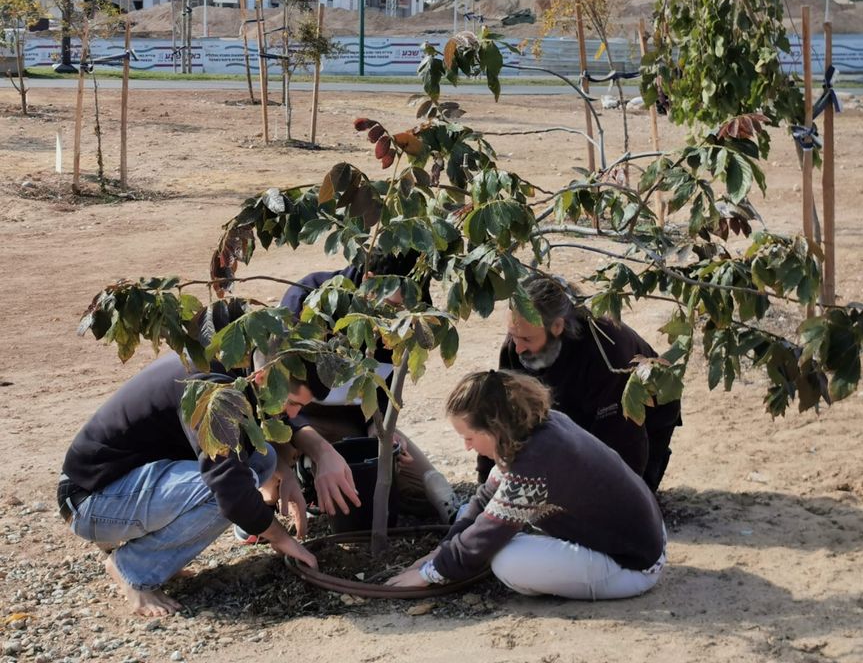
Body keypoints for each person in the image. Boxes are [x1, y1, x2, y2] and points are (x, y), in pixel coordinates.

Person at [57, 351, 359, 617]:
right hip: (90, 500)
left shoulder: (239, 364)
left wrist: (288, 475)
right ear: (264, 376)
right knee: (228, 492)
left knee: (261, 462)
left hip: (126, 482)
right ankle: (132, 569)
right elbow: (229, 488)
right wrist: (281, 538)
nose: (294, 414)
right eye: (292, 403)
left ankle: (150, 549)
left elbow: (254, 448)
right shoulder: (214, 394)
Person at [387, 370, 667, 599]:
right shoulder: (541, 427)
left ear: (494, 428)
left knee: (507, 560)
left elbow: (488, 532)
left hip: (633, 566)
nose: (467, 447)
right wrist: (441, 552)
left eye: (470, 437)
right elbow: (485, 499)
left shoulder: (534, 463)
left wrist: (429, 574)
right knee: (473, 522)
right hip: (643, 542)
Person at [281, 253, 460, 523]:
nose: (397, 320)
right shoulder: (309, 301)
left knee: (428, 494)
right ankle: (298, 472)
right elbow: (279, 406)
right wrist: (320, 450)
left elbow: (382, 388)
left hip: (354, 425)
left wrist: (379, 429)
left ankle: (318, 468)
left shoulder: (401, 321)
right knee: (338, 487)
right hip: (301, 421)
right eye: (393, 306)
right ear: (370, 283)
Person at [492, 276, 682, 491]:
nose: (517, 349)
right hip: (574, 409)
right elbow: (501, 414)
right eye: (512, 335)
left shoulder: (607, 353)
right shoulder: (518, 341)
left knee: (623, 496)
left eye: (526, 340)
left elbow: (624, 441)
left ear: (557, 326)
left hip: (642, 416)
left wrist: (622, 499)